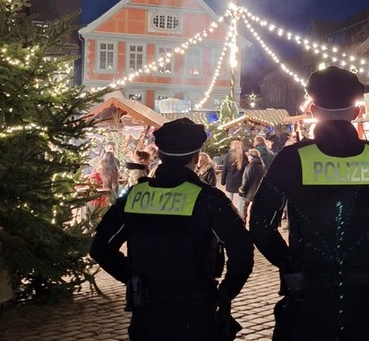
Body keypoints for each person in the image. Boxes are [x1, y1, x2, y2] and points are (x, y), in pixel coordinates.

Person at [249, 66, 369, 341]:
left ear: (313, 110)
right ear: (357, 113)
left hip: (308, 292)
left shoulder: (292, 158)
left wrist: (290, 262)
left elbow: (259, 224)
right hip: (366, 293)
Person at [90, 118, 254, 341]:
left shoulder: (134, 196)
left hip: (146, 314)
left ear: (160, 155)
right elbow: (242, 251)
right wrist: (224, 294)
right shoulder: (208, 199)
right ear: (196, 157)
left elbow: (100, 248)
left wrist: (132, 277)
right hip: (195, 313)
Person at [238, 148, 265, 223]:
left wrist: (242, 189)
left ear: (252, 156)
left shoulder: (251, 166)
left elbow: (246, 178)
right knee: (255, 207)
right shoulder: (261, 164)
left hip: (250, 190)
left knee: (244, 206)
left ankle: (243, 221)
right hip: (258, 188)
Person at [220, 139, 246, 218]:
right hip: (240, 182)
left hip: (230, 181)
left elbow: (224, 169)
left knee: (228, 201)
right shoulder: (243, 156)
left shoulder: (229, 156)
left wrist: (223, 181)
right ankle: (239, 218)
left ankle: (228, 217)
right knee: (240, 203)